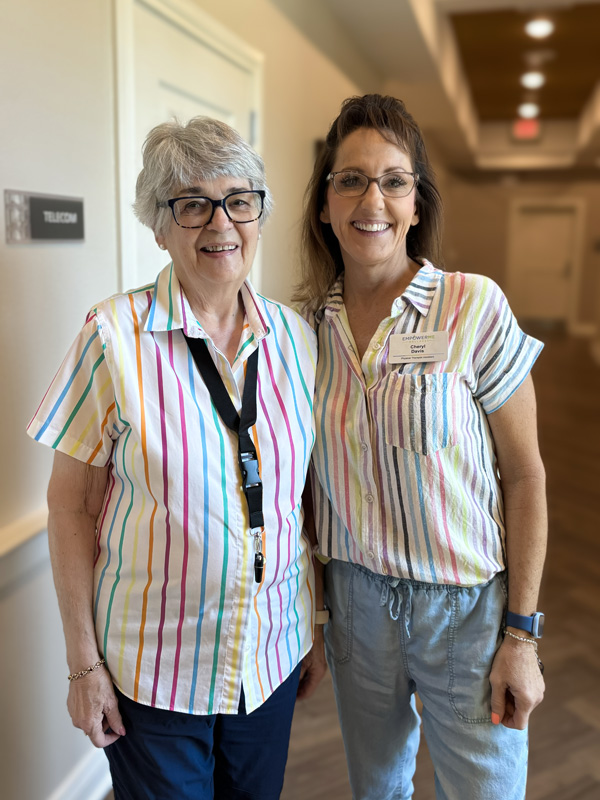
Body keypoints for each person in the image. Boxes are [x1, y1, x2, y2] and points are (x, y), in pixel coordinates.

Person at [27, 116, 327, 800]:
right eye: (191, 202)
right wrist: (83, 666)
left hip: (270, 656)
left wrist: (312, 625)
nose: (220, 222)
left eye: (238, 200)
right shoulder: (111, 338)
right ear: (159, 226)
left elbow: (298, 504)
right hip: (156, 675)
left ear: (259, 213)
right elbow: (69, 506)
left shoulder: (297, 340)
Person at [295, 94, 547, 800]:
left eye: (393, 180)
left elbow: (526, 477)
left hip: (465, 612)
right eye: (350, 179)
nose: (371, 198)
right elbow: (307, 491)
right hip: (356, 609)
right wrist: (317, 618)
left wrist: (521, 638)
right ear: (324, 203)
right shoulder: (306, 331)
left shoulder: (473, 306)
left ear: (414, 202)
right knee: (377, 791)